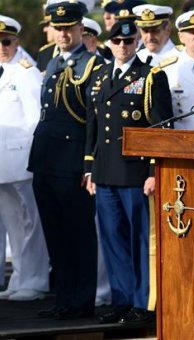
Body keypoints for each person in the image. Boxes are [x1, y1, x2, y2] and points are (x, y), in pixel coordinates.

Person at [85, 19, 173, 325]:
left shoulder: (150, 76)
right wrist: (89, 168)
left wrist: (153, 169)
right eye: (118, 42)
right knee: (112, 240)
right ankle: (121, 300)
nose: (123, 46)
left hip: (136, 174)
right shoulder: (99, 76)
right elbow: (93, 126)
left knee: (140, 240)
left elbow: (161, 126)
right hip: (106, 171)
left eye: (129, 41)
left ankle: (144, 302)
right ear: (109, 43)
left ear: (137, 43)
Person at [28, 0, 101, 320]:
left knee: (78, 235)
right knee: (55, 236)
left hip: (72, 162)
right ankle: (64, 299)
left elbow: (94, 121)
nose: (63, 34)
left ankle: (81, 301)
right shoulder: (52, 61)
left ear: (80, 29)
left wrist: (89, 166)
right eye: (58, 28)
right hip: (45, 159)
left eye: (68, 28)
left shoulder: (92, 65)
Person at [0, 14, 50, 302]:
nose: (2, 47)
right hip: (3, 164)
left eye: (7, 41)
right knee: (14, 225)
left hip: (22, 161)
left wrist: (35, 158)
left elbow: (36, 119)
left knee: (31, 224)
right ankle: (19, 277)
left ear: (17, 41)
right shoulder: (2, 70)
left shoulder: (25, 71)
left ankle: (35, 280)